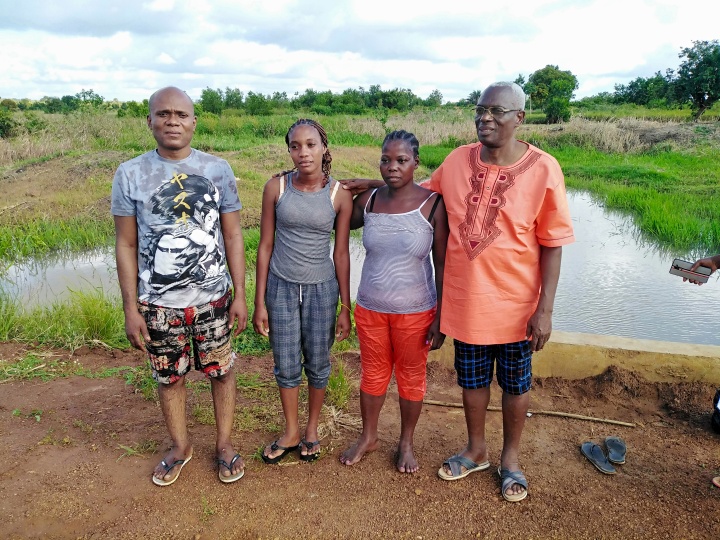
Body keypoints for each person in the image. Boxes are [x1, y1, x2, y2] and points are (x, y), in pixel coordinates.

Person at [342, 82, 574, 501]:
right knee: (472, 382)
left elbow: (553, 243)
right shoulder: (457, 160)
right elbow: (418, 190)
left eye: (497, 111)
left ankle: (511, 461)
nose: (485, 118)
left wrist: (546, 309)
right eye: (480, 109)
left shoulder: (544, 168)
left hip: (517, 306)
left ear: (519, 118)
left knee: (517, 386)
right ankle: (475, 450)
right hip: (466, 303)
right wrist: (369, 183)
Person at [112, 86, 248, 486]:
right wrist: (131, 308)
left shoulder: (217, 169)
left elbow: (234, 235)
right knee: (169, 377)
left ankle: (224, 445)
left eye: (181, 114)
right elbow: (126, 242)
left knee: (221, 371)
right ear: (150, 121)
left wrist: (240, 294)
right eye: (164, 114)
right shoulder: (130, 173)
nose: (173, 121)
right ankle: (181, 446)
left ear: (194, 121)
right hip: (158, 304)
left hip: (213, 298)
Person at [339, 130, 449, 473]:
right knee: (372, 375)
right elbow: (335, 210)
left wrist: (441, 317)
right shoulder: (369, 202)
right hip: (371, 308)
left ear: (416, 162)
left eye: (402, 160)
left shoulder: (433, 204)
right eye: (385, 160)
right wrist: (324, 183)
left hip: (417, 311)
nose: (392, 167)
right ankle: (368, 436)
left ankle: (406, 443)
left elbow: (443, 263)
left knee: (411, 377)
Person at [253, 119, 353, 463]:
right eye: (295, 146)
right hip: (280, 287)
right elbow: (265, 246)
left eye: (310, 145)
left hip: (322, 290)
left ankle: (311, 428)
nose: (303, 152)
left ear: (324, 147)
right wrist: (259, 302)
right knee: (284, 361)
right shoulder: (276, 188)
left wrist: (345, 306)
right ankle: (292, 430)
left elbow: (341, 253)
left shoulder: (339, 195)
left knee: (319, 362)